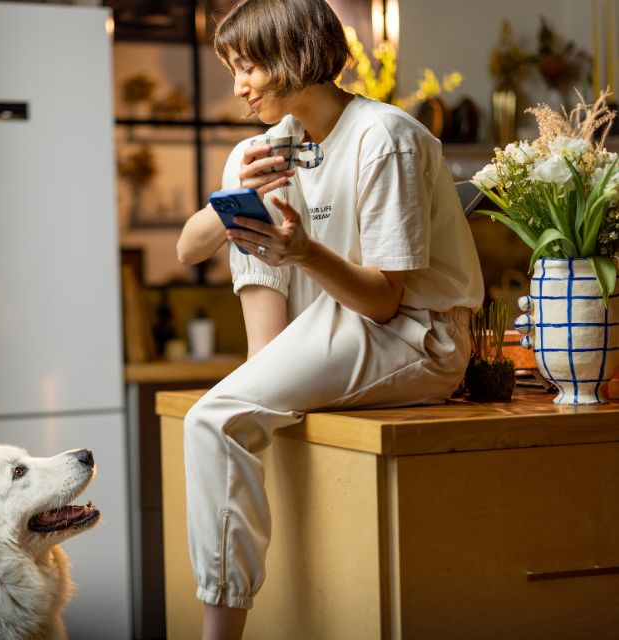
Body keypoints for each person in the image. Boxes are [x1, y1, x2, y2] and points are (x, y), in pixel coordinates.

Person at [175, 1, 484, 638]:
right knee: (245, 215)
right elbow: (187, 249)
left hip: (414, 335)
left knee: (214, 417)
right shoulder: (264, 147)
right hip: (324, 329)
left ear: (294, 54)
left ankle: (218, 631)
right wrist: (236, 203)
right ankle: (267, 373)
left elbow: (382, 302)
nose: (238, 86)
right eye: (232, 68)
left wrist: (303, 251)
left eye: (248, 66)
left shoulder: (384, 137)